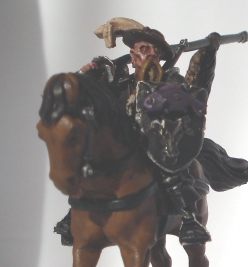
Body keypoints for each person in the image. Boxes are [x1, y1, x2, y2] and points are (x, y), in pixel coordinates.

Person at [56, 26, 226, 246]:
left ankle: (189, 218)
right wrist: (88, 73)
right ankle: (74, 214)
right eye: (143, 48)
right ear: (132, 55)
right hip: (123, 146)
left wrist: (206, 56)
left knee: (170, 170)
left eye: (154, 50)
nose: (149, 53)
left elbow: (189, 100)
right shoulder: (119, 84)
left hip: (155, 142)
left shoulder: (171, 81)